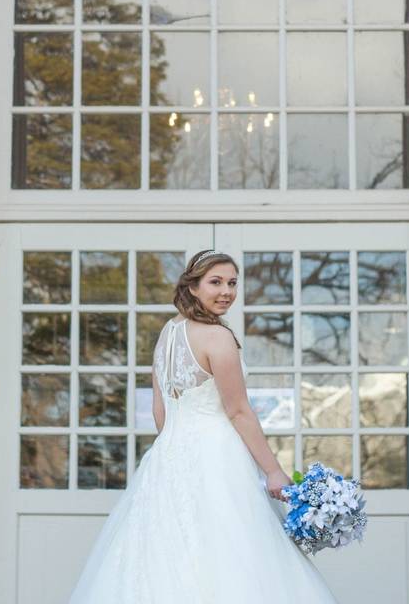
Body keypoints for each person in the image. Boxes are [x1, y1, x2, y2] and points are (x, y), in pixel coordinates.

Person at [68, 250, 338, 603]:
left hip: (167, 459)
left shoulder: (168, 333)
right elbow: (239, 411)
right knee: (231, 552)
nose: (226, 291)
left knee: (163, 554)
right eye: (215, 282)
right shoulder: (217, 337)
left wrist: (175, 449)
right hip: (218, 458)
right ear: (193, 287)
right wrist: (273, 471)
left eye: (232, 283)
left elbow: (160, 409)